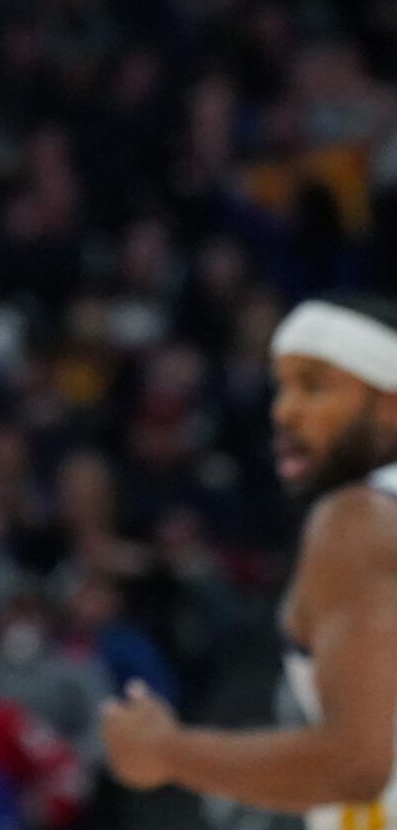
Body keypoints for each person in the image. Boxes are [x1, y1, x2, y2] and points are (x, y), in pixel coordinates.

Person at [102, 293, 397, 825]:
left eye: (315, 386)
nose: (284, 410)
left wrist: (169, 753)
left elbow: (355, 765)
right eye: (281, 386)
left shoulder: (359, 519)